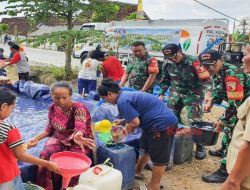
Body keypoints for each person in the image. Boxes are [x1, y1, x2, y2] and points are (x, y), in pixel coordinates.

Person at [98, 78, 178, 190]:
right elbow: (136, 113)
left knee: (159, 158)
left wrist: (120, 136)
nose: (106, 101)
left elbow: (135, 122)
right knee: (145, 148)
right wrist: (123, 120)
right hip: (152, 124)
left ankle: (153, 186)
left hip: (162, 125)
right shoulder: (124, 94)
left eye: (104, 98)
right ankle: (137, 171)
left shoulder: (122, 101)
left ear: (110, 94)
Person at [27, 81, 95, 190]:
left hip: (79, 142)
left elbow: (80, 125)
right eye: (56, 98)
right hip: (59, 139)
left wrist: (78, 135)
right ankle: (46, 187)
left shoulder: (78, 108)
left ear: (70, 96)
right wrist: (36, 138)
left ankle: (70, 188)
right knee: (45, 155)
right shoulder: (53, 108)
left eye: (64, 97)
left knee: (73, 166)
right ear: (51, 96)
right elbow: (49, 129)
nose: (61, 101)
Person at [199, 50, 250, 183]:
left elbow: (234, 105)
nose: (210, 68)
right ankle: (223, 150)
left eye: (212, 64)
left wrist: (222, 120)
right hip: (239, 103)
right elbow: (220, 91)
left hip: (243, 106)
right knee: (228, 130)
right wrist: (211, 101)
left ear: (221, 60)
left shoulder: (232, 74)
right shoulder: (219, 71)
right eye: (206, 65)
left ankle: (224, 171)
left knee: (230, 133)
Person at [0, 87, 60, 190]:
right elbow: (20, 155)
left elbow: (4, 149)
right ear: (4, 106)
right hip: (6, 175)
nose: (12, 112)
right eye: (12, 108)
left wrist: (26, 145)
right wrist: (48, 164)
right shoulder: (9, 129)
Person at [160, 43, 213, 160]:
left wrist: (208, 94)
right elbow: (165, 79)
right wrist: (161, 94)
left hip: (193, 94)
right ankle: (174, 141)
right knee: (171, 118)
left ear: (180, 51)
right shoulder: (167, 62)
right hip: (175, 94)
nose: (173, 59)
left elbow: (206, 79)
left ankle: (200, 146)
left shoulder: (194, 61)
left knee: (194, 120)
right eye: (170, 57)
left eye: (174, 56)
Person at [220, 54, 250, 190]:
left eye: (247, 52)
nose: (242, 58)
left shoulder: (232, 73)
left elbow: (249, 146)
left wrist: (233, 181)